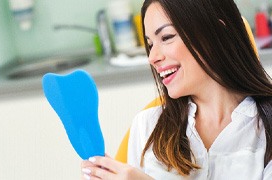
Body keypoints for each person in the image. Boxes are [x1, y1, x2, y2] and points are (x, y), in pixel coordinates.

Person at [81, 0, 272, 179]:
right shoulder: (147, 127)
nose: (153, 57)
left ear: (217, 34)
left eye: (167, 37)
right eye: (150, 44)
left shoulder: (266, 127)